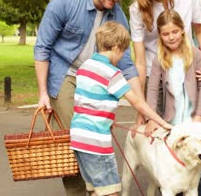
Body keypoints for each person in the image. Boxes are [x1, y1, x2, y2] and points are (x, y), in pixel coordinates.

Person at [34, 0, 143, 196]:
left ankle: (97, 189)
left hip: (96, 78)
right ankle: (79, 192)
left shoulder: (117, 15)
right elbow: (42, 47)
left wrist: (141, 108)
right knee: (74, 138)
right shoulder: (65, 1)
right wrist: (43, 93)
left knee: (94, 136)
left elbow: (126, 66)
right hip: (65, 73)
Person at [70, 21, 173, 196]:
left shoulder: (84, 67)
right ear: (117, 48)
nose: (122, 57)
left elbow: (86, 101)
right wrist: (163, 123)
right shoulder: (112, 73)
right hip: (96, 142)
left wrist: (107, 118)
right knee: (111, 192)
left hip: (78, 139)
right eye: (124, 52)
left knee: (96, 190)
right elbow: (138, 103)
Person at [145, 9, 201, 195]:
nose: (171, 37)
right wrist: (151, 118)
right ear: (160, 35)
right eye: (165, 34)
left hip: (193, 121)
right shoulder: (159, 59)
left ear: (182, 30)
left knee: (199, 166)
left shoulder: (196, 54)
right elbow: (153, 89)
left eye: (174, 32)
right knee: (169, 166)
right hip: (171, 123)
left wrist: (199, 115)